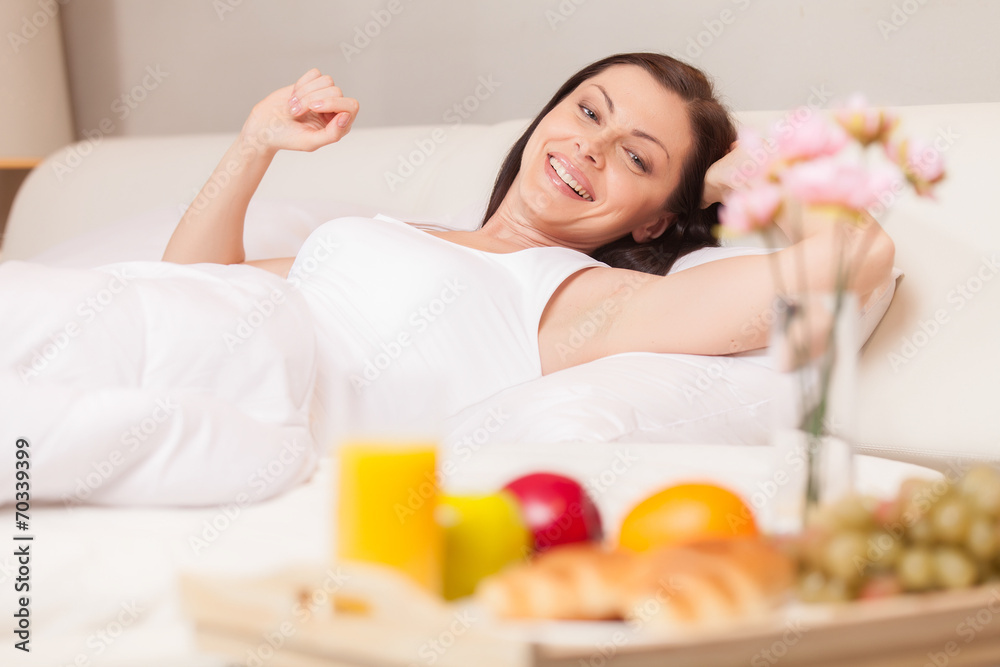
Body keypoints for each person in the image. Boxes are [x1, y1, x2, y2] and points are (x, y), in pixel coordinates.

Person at [2, 53, 894, 507]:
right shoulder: (392, 233)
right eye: (588, 110)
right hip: (173, 326)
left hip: (251, 393)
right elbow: (191, 287)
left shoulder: (579, 302)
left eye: (636, 155)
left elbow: (856, 264)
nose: (589, 143)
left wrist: (753, 181)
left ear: (657, 216)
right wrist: (256, 143)